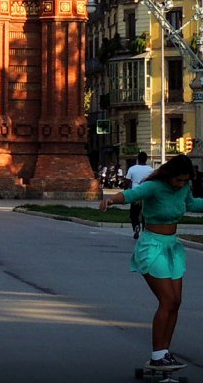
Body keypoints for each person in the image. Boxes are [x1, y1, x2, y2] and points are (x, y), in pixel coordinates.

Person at [100, 153, 203, 371]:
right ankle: (157, 355)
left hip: (172, 247)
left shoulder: (183, 189)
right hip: (152, 246)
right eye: (178, 180)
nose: (181, 185)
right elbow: (131, 194)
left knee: (176, 302)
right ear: (169, 175)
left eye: (186, 181)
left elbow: (192, 204)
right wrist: (111, 199)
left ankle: (164, 353)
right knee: (167, 301)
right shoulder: (155, 186)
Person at [125, 152, 153, 239]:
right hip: (147, 195)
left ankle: (136, 226)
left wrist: (127, 191)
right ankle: (145, 231)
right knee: (145, 214)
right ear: (146, 159)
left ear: (138, 159)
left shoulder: (132, 169)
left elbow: (127, 182)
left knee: (134, 214)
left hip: (135, 194)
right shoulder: (151, 170)